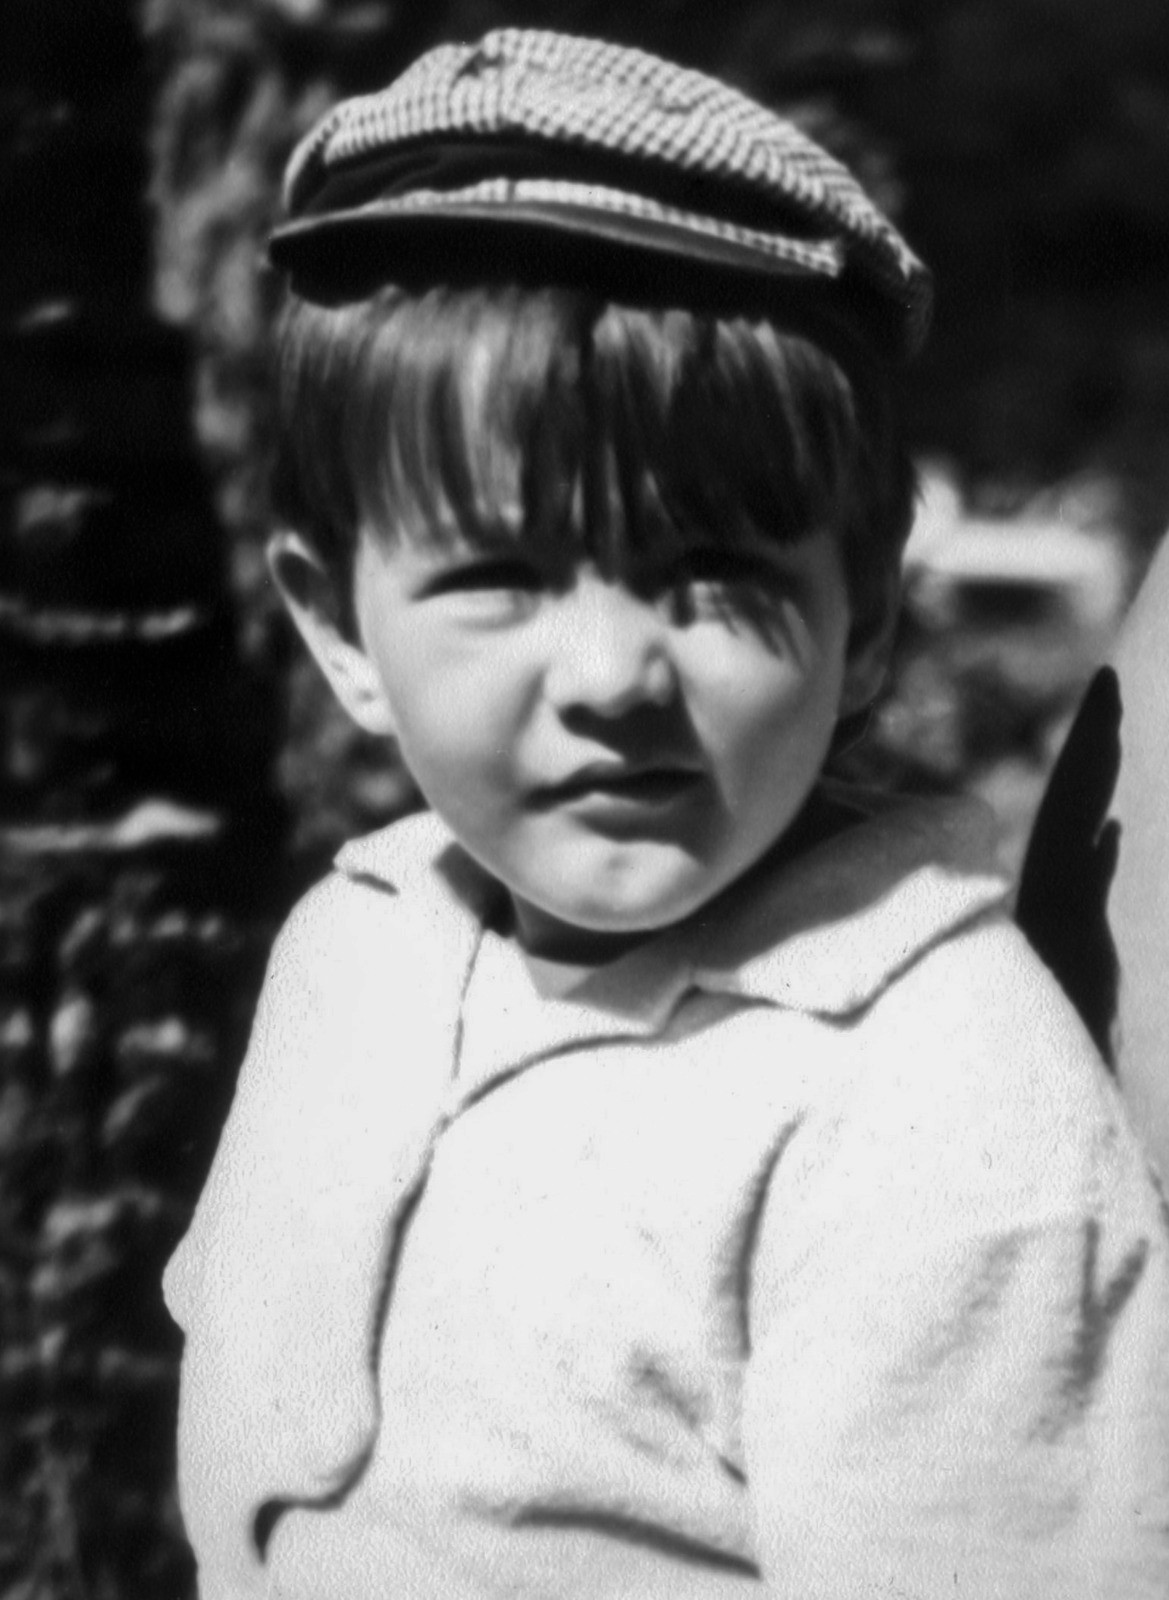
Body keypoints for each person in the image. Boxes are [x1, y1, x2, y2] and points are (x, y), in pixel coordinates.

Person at [163, 29, 1169, 1600]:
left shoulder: (930, 1109)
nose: (615, 674)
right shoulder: (353, 951)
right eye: (498, 577)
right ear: (342, 631)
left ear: (863, 627)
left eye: (719, 577)